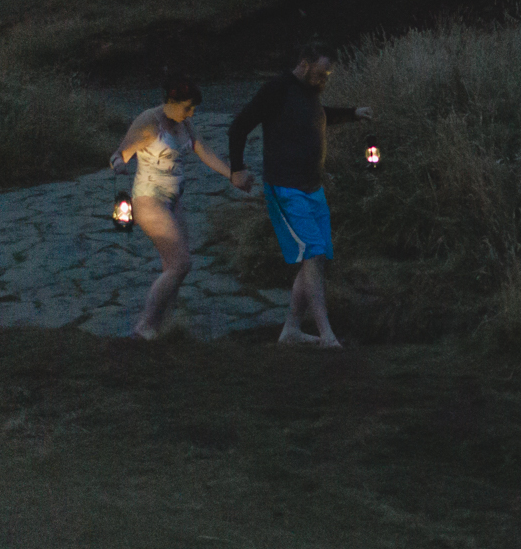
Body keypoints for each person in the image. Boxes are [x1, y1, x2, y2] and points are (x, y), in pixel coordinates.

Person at [227, 41, 373, 346]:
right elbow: (239, 125)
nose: (324, 80)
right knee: (313, 253)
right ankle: (327, 335)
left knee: (316, 259)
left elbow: (318, 116)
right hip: (285, 188)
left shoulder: (310, 92)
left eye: (328, 75)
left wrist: (353, 113)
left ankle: (291, 330)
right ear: (304, 65)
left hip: (313, 188)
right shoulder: (277, 89)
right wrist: (237, 169)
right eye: (321, 73)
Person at [110, 74, 245, 340]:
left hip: (174, 200)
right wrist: (120, 164)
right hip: (149, 199)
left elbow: (202, 149)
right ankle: (144, 327)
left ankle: (165, 327)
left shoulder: (185, 123)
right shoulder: (149, 121)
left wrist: (232, 175)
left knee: (172, 265)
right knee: (180, 264)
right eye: (187, 107)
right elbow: (120, 153)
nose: (191, 113)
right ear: (171, 102)